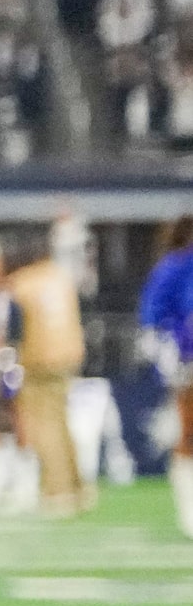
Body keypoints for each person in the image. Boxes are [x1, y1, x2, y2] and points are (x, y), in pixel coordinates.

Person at [0, 230, 88, 517]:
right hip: (68, 358)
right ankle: (77, 487)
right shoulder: (60, 277)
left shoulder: (21, 284)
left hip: (38, 361)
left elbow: (15, 331)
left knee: (44, 426)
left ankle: (57, 489)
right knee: (62, 423)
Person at [138, 216, 193, 538]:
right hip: (187, 360)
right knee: (189, 434)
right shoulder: (175, 268)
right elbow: (152, 317)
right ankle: (189, 508)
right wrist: (167, 355)